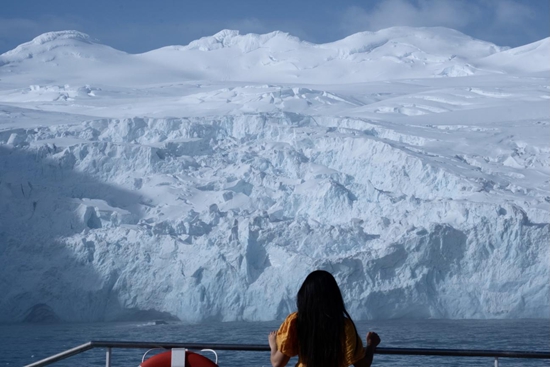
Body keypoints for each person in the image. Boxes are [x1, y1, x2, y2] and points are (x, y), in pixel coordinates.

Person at [268, 270, 380, 367]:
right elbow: (362, 365)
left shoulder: (295, 321)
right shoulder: (344, 325)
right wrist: (371, 345)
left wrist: (274, 345)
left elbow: (277, 363)